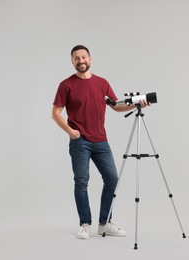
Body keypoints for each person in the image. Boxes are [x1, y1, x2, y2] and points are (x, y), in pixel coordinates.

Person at [52, 45, 149, 239]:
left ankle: (104, 223)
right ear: (72, 61)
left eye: (84, 57)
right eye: (76, 58)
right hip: (80, 142)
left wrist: (138, 102)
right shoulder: (66, 85)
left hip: (101, 140)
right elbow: (55, 113)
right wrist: (70, 132)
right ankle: (84, 223)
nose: (81, 61)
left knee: (112, 178)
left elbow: (115, 106)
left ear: (90, 59)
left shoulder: (102, 83)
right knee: (81, 182)